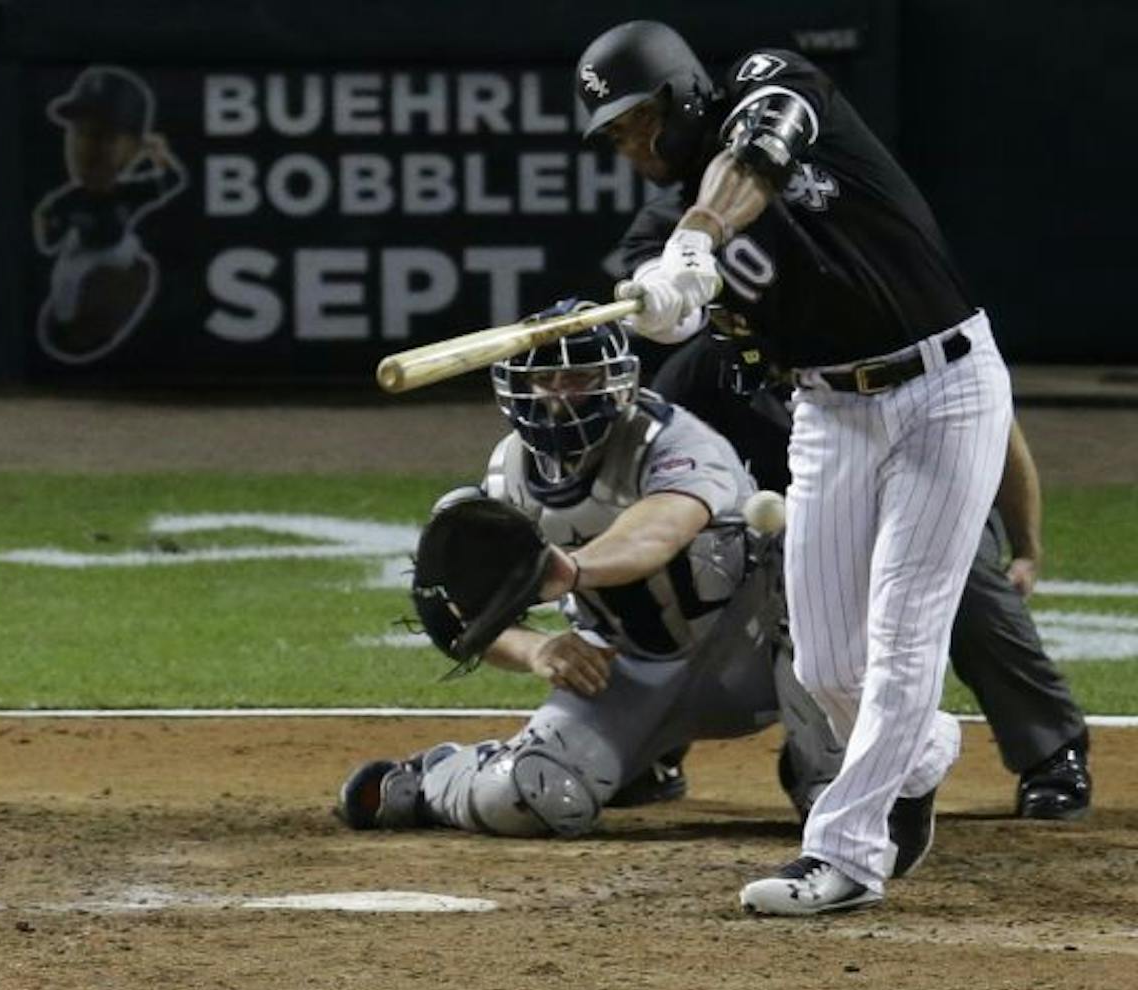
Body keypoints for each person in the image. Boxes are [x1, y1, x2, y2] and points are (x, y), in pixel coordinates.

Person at [576, 20, 1016, 915]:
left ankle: (846, 854)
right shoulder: (675, 239)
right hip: (830, 409)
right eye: (614, 137)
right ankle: (920, 756)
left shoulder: (772, 82)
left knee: (901, 639)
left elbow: (759, 153)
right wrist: (675, 304)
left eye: (636, 122)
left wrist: (695, 239)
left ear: (680, 93)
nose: (631, 146)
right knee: (825, 663)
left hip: (945, 389)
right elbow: (719, 333)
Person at [609, 189, 1094, 822]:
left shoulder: (863, 318)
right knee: (694, 573)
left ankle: (1051, 752)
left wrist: (1027, 547)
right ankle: (657, 747)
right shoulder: (705, 370)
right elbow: (659, 477)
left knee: (970, 580)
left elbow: (997, 431)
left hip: (924, 491)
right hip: (796, 535)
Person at [336, 305, 845, 841]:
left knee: (812, 569)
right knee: (530, 796)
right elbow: (459, 614)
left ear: (617, 382)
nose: (561, 393)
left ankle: (830, 782)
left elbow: (662, 528)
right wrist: (537, 649)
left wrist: (573, 569)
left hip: (751, 645)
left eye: (580, 376)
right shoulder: (505, 478)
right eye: (544, 380)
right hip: (625, 671)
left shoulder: (674, 441)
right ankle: (437, 777)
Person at [32, 64, 189, 364]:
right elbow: (47, 238)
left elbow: (173, 180)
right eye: (79, 132)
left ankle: (100, 315)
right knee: (66, 284)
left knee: (135, 262)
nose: (87, 147)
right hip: (84, 251)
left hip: (118, 247)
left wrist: (159, 155)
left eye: (105, 136)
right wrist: (42, 221)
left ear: (133, 148)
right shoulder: (70, 200)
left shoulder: (128, 193)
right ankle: (71, 327)